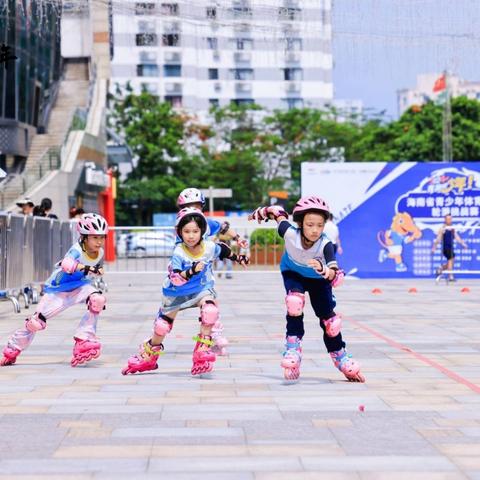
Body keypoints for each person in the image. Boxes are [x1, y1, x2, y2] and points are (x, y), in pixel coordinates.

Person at [248, 196, 365, 382]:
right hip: (293, 273)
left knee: (330, 323)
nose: (315, 230)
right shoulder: (289, 233)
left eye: (320, 225)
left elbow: (335, 274)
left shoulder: (325, 244)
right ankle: (293, 349)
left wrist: (324, 270)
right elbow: (277, 213)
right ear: (301, 223)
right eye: (310, 224)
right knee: (294, 303)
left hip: (318, 279)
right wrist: (261, 212)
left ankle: (340, 356)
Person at [122, 207, 249, 376]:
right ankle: (148, 357)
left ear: (202, 231)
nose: (191, 236)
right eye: (186, 231)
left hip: (201, 290)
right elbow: (175, 277)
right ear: (179, 233)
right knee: (162, 327)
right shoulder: (179, 252)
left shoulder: (209, 247)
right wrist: (191, 271)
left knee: (210, 310)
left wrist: (238, 258)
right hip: (176, 292)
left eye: (195, 231)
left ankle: (202, 350)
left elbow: (223, 250)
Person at [0, 213, 109, 367]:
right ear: (84, 237)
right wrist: (87, 267)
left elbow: (88, 270)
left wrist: (95, 271)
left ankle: (84, 339)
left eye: (102, 237)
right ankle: (12, 349)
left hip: (80, 286)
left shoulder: (101, 253)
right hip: (58, 290)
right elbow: (67, 264)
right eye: (94, 237)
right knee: (36, 322)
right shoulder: (77, 249)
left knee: (97, 300)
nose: (99, 242)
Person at [176, 188, 248, 353]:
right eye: (188, 206)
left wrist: (238, 239)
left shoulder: (206, 224)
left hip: (203, 276)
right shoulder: (181, 226)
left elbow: (223, 227)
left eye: (196, 206)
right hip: (182, 277)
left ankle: (212, 336)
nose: (193, 210)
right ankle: (154, 341)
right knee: (165, 319)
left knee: (210, 306)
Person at [432, 214, 468, 282]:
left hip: (451, 248)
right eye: (448, 219)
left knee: (450, 263)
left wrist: (463, 244)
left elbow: (457, 237)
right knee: (450, 260)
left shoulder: (452, 228)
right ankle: (450, 276)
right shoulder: (443, 228)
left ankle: (440, 268)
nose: (449, 220)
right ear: (445, 220)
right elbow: (438, 238)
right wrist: (434, 247)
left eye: (450, 219)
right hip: (446, 248)